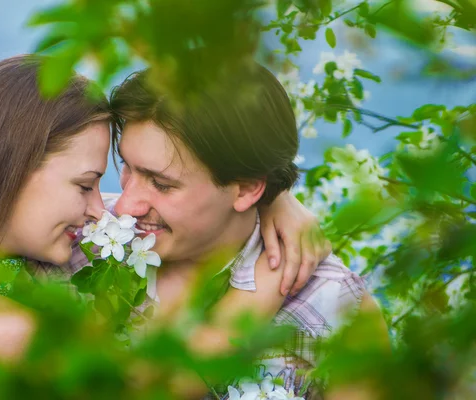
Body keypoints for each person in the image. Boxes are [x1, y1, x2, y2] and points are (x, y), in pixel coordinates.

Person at [0, 55, 327, 400]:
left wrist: (269, 196)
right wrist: (266, 282)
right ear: (11, 172)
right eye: (86, 185)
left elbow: (197, 189)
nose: (107, 210)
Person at [96, 64, 389, 399]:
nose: (124, 205)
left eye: (161, 184)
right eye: (126, 167)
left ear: (247, 188)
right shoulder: (81, 234)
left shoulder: (334, 307)